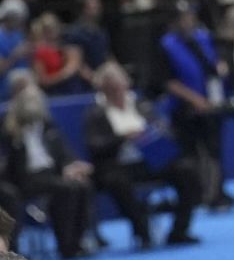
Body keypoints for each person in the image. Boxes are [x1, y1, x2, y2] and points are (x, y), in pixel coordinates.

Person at [82, 62, 203, 250]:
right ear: (103, 89)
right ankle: (142, 231)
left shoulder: (141, 104)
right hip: (118, 165)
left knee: (187, 170)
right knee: (117, 182)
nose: (116, 91)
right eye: (110, 88)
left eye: (119, 86)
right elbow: (94, 145)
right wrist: (122, 138)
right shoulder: (96, 113)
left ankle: (180, 230)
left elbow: (164, 130)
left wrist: (152, 133)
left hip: (151, 160)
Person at [1, 81, 93, 260]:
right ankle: (66, 245)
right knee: (67, 188)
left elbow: (63, 151)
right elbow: (9, 164)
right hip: (24, 179)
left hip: (50, 174)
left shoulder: (48, 125)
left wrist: (71, 166)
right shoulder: (9, 129)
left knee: (81, 185)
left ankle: (74, 242)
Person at [159, 2, 234, 212]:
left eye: (191, 15)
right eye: (184, 16)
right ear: (175, 20)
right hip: (185, 110)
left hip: (211, 103)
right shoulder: (166, 45)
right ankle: (199, 194)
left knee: (214, 151)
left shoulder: (202, 38)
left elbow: (213, 64)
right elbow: (167, 81)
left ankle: (217, 191)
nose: (189, 19)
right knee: (193, 155)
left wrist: (220, 67)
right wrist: (195, 100)